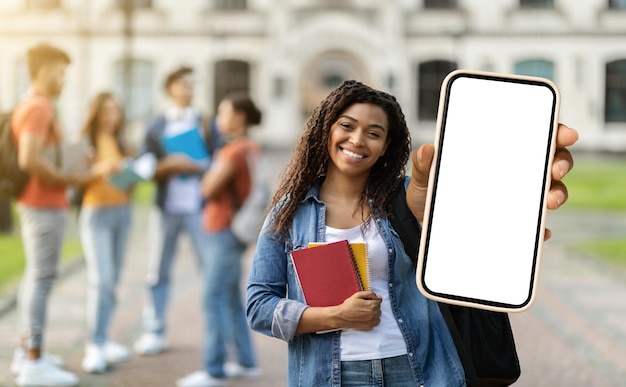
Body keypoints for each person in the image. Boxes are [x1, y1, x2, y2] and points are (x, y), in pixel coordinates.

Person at [245, 80, 578, 386]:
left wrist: (508, 212)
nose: (358, 140)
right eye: (347, 126)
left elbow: (471, 235)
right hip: (330, 375)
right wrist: (335, 316)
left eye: (373, 133)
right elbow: (259, 306)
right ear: (326, 130)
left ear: (387, 145)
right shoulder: (290, 211)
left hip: (418, 369)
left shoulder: (410, 199)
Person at [176, 93, 261, 387]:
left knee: (213, 298)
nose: (218, 119)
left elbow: (208, 189)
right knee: (230, 297)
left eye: (223, 112)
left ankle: (214, 369)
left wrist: (200, 170)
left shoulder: (233, 150)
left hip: (222, 227)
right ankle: (246, 361)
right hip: (235, 229)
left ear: (239, 117)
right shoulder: (250, 147)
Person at [10, 43, 79, 386]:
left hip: (40, 203)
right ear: (44, 71)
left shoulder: (36, 104)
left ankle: (27, 353)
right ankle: (33, 363)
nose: (64, 79)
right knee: (41, 279)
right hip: (42, 204)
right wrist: (65, 178)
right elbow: (29, 159)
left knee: (35, 278)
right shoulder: (38, 106)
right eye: (61, 72)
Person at [134, 66, 214, 356]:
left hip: (199, 206)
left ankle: (214, 333)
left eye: (192, 85)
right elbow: (141, 163)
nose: (189, 90)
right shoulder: (156, 124)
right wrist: (166, 165)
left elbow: (218, 160)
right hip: (166, 206)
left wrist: (196, 165)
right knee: (157, 271)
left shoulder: (205, 121)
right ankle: (153, 331)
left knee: (209, 269)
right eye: (183, 85)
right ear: (170, 89)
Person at [75, 92, 134, 373]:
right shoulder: (84, 141)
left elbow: (127, 184)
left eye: (116, 110)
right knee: (102, 280)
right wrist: (101, 168)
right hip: (96, 213)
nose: (112, 116)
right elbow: (73, 179)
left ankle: (105, 337)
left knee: (113, 281)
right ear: (96, 112)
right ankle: (94, 345)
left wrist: (132, 172)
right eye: (106, 111)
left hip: (122, 214)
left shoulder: (120, 140)